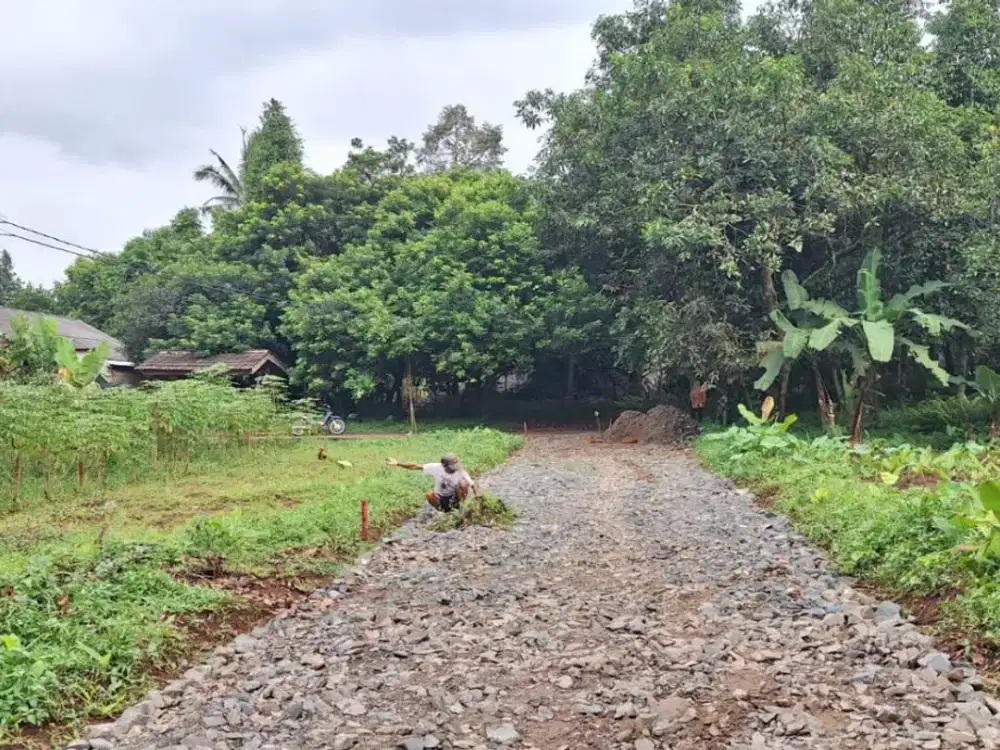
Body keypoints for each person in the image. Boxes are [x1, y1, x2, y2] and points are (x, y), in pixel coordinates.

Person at [386, 453, 477, 512]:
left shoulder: (460, 472)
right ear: (444, 466)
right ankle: (442, 512)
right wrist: (398, 463)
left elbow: (473, 485)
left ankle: (462, 508)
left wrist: (479, 499)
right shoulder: (435, 467)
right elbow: (415, 466)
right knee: (429, 495)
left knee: (463, 483)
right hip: (442, 498)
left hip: (456, 497)